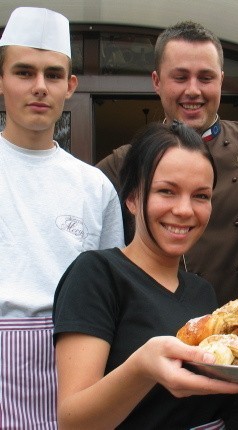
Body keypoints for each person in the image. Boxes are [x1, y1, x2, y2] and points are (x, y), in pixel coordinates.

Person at [53, 121, 238, 429]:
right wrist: (142, 368)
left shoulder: (202, 292)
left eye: (201, 196)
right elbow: (73, 421)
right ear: (131, 198)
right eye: (166, 191)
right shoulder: (97, 275)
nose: (184, 210)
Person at [96, 21, 238, 306]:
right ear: (157, 81)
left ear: (221, 81)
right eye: (180, 77)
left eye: (205, 78)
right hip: (163, 323)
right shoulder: (124, 161)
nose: (193, 90)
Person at [0, 6, 124, 429]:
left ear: (70, 85)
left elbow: (111, 293)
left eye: (53, 75)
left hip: (76, 361)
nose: (39, 87)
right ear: (0, 80)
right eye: (23, 72)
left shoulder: (94, 187)